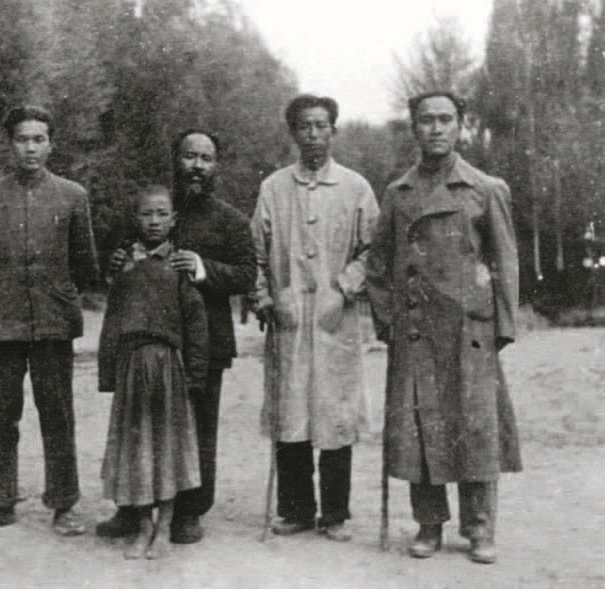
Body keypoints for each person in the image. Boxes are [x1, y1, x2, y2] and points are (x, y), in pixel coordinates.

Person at [365, 91, 521, 564]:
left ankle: (479, 528)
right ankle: (429, 524)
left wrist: (500, 327)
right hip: (415, 333)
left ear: (460, 127)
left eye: (445, 120)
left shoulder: (484, 188)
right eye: (426, 120)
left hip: (469, 333)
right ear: (414, 128)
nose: (436, 128)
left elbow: (505, 261)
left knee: (475, 428)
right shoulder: (398, 193)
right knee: (420, 427)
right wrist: (390, 322)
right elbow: (377, 266)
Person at [97, 130, 256, 544]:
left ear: (216, 165)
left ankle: (189, 511)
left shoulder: (230, 220)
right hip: (145, 343)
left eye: (206, 158)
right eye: (189, 157)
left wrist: (204, 268)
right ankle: (132, 509)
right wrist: (117, 258)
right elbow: (120, 251)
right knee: (139, 426)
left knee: (197, 430)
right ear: (176, 160)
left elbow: (246, 274)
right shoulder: (154, 206)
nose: (197, 166)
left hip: (205, 344)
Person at [0, 105, 99, 536]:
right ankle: (0, 501)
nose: (31, 147)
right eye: (23, 139)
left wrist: (55, 297)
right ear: (10, 144)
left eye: (39, 139)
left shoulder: (72, 196)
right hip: (0, 321)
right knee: (1, 414)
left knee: (57, 414)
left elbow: (85, 264)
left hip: (53, 322)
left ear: (51, 144)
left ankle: (64, 504)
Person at [250, 94, 379, 541]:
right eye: (305, 126)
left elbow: (373, 251)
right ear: (293, 133)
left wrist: (344, 287)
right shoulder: (273, 189)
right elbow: (257, 255)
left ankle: (336, 513)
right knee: (292, 412)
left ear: (334, 131)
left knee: (335, 412)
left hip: (334, 320)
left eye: (322, 126)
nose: (314, 135)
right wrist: (266, 297)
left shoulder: (355, 188)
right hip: (289, 320)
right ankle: (296, 509)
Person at [98, 185, 209, 559]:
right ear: (136, 218)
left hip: (168, 371)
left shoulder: (179, 267)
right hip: (132, 369)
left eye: (162, 214)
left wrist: (194, 375)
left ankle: (164, 526)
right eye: (147, 214)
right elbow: (113, 319)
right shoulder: (124, 265)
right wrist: (108, 371)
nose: (154, 221)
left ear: (173, 220)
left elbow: (196, 324)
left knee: (167, 448)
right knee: (137, 449)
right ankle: (142, 524)